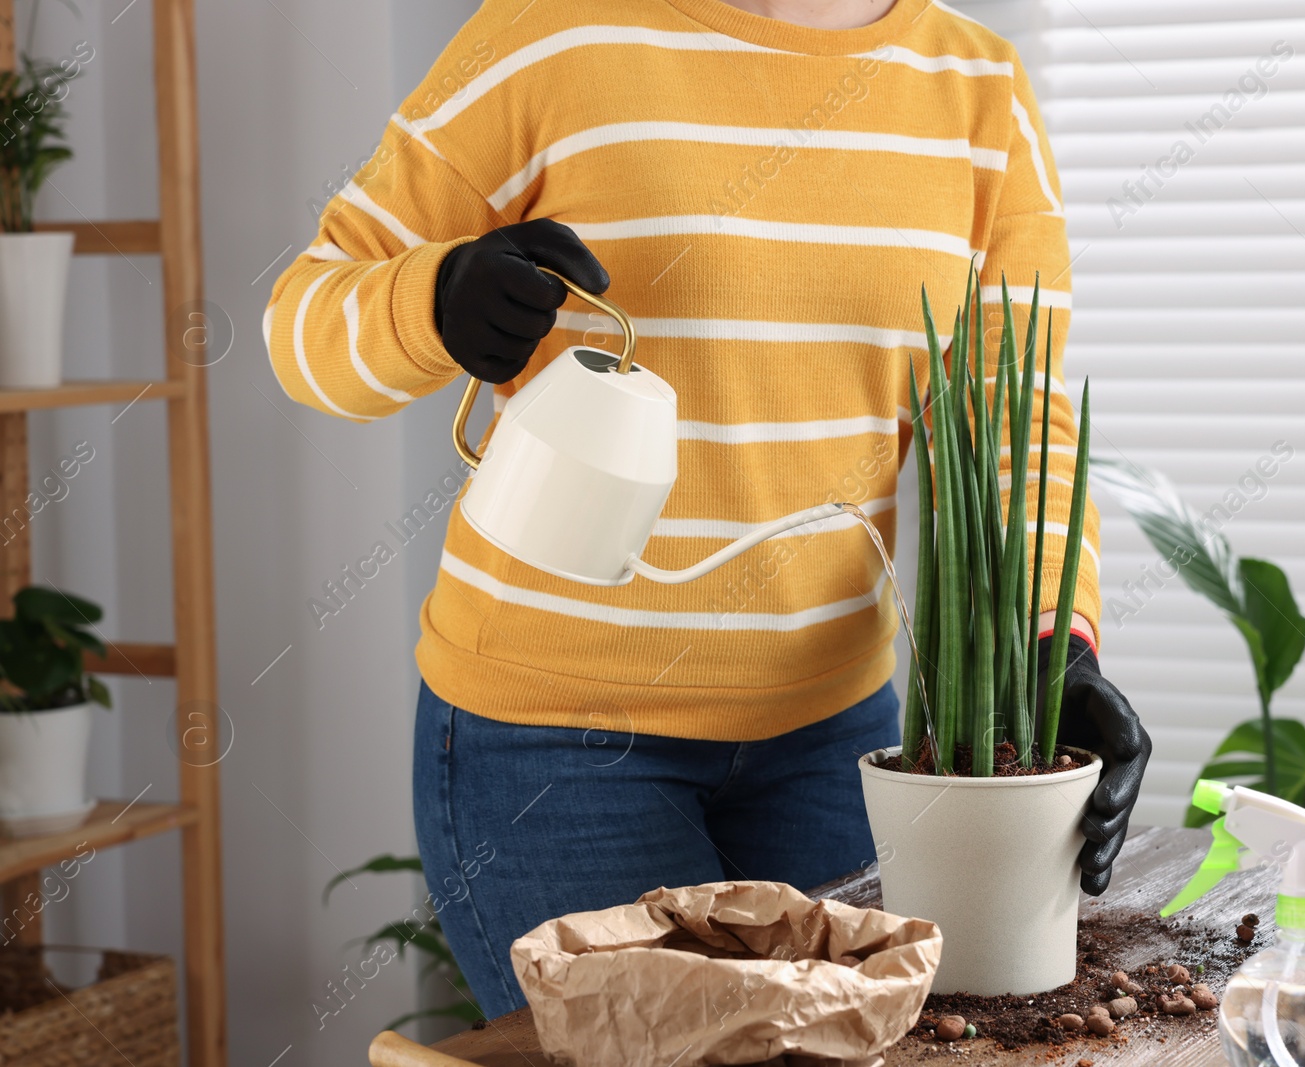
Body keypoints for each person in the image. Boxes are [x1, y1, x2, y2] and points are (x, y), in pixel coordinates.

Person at [266, 0, 1151, 1018]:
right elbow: (303, 321)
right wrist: (433, 300)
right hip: (554, 747)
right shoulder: (546, 36)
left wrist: (1053, 643)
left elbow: (1011, 416)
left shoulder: (977, 87)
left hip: (836, 742)